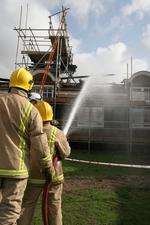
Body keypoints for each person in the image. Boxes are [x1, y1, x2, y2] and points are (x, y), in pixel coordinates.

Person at [0, 68, 54, 225]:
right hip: (16, 171)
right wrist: (48, 169)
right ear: (29, 86)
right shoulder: (32, 111)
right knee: (9, 213)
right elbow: (40, 147)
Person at [17, 101, 71, 225]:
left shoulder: (28, 131)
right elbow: (66, 153)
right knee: (54, 207)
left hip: (33, 176)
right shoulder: (57, 132)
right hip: (54, 178)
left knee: (27, 206)